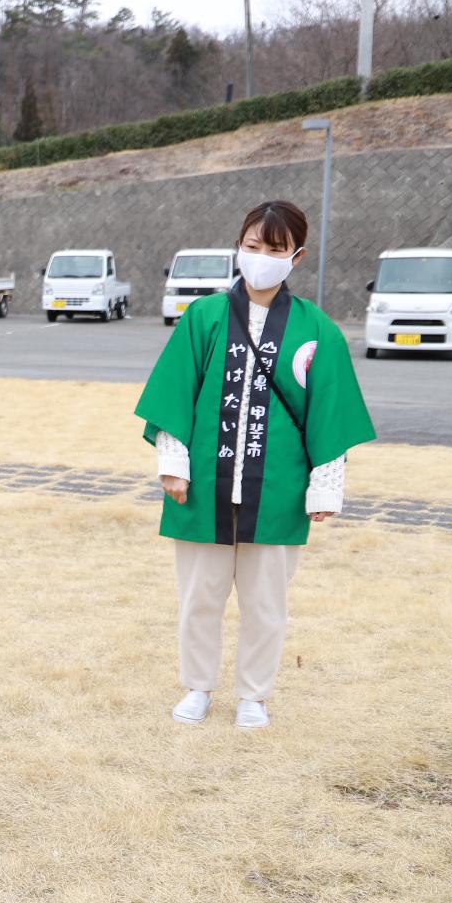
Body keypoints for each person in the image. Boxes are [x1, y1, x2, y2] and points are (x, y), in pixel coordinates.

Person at [134, 199, 376, 730]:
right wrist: (173, 460)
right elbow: (176, 391)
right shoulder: (205, 316)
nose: (261, 256)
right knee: (199, 599)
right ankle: (197, 687)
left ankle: (254, 695)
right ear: (238, 247)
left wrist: (325, 486)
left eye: (274, 248)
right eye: (252, 245)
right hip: (203, 489)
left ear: (297, 255)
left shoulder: (318, 331)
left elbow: (329, 414)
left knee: (267, 606)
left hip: (278, 490)